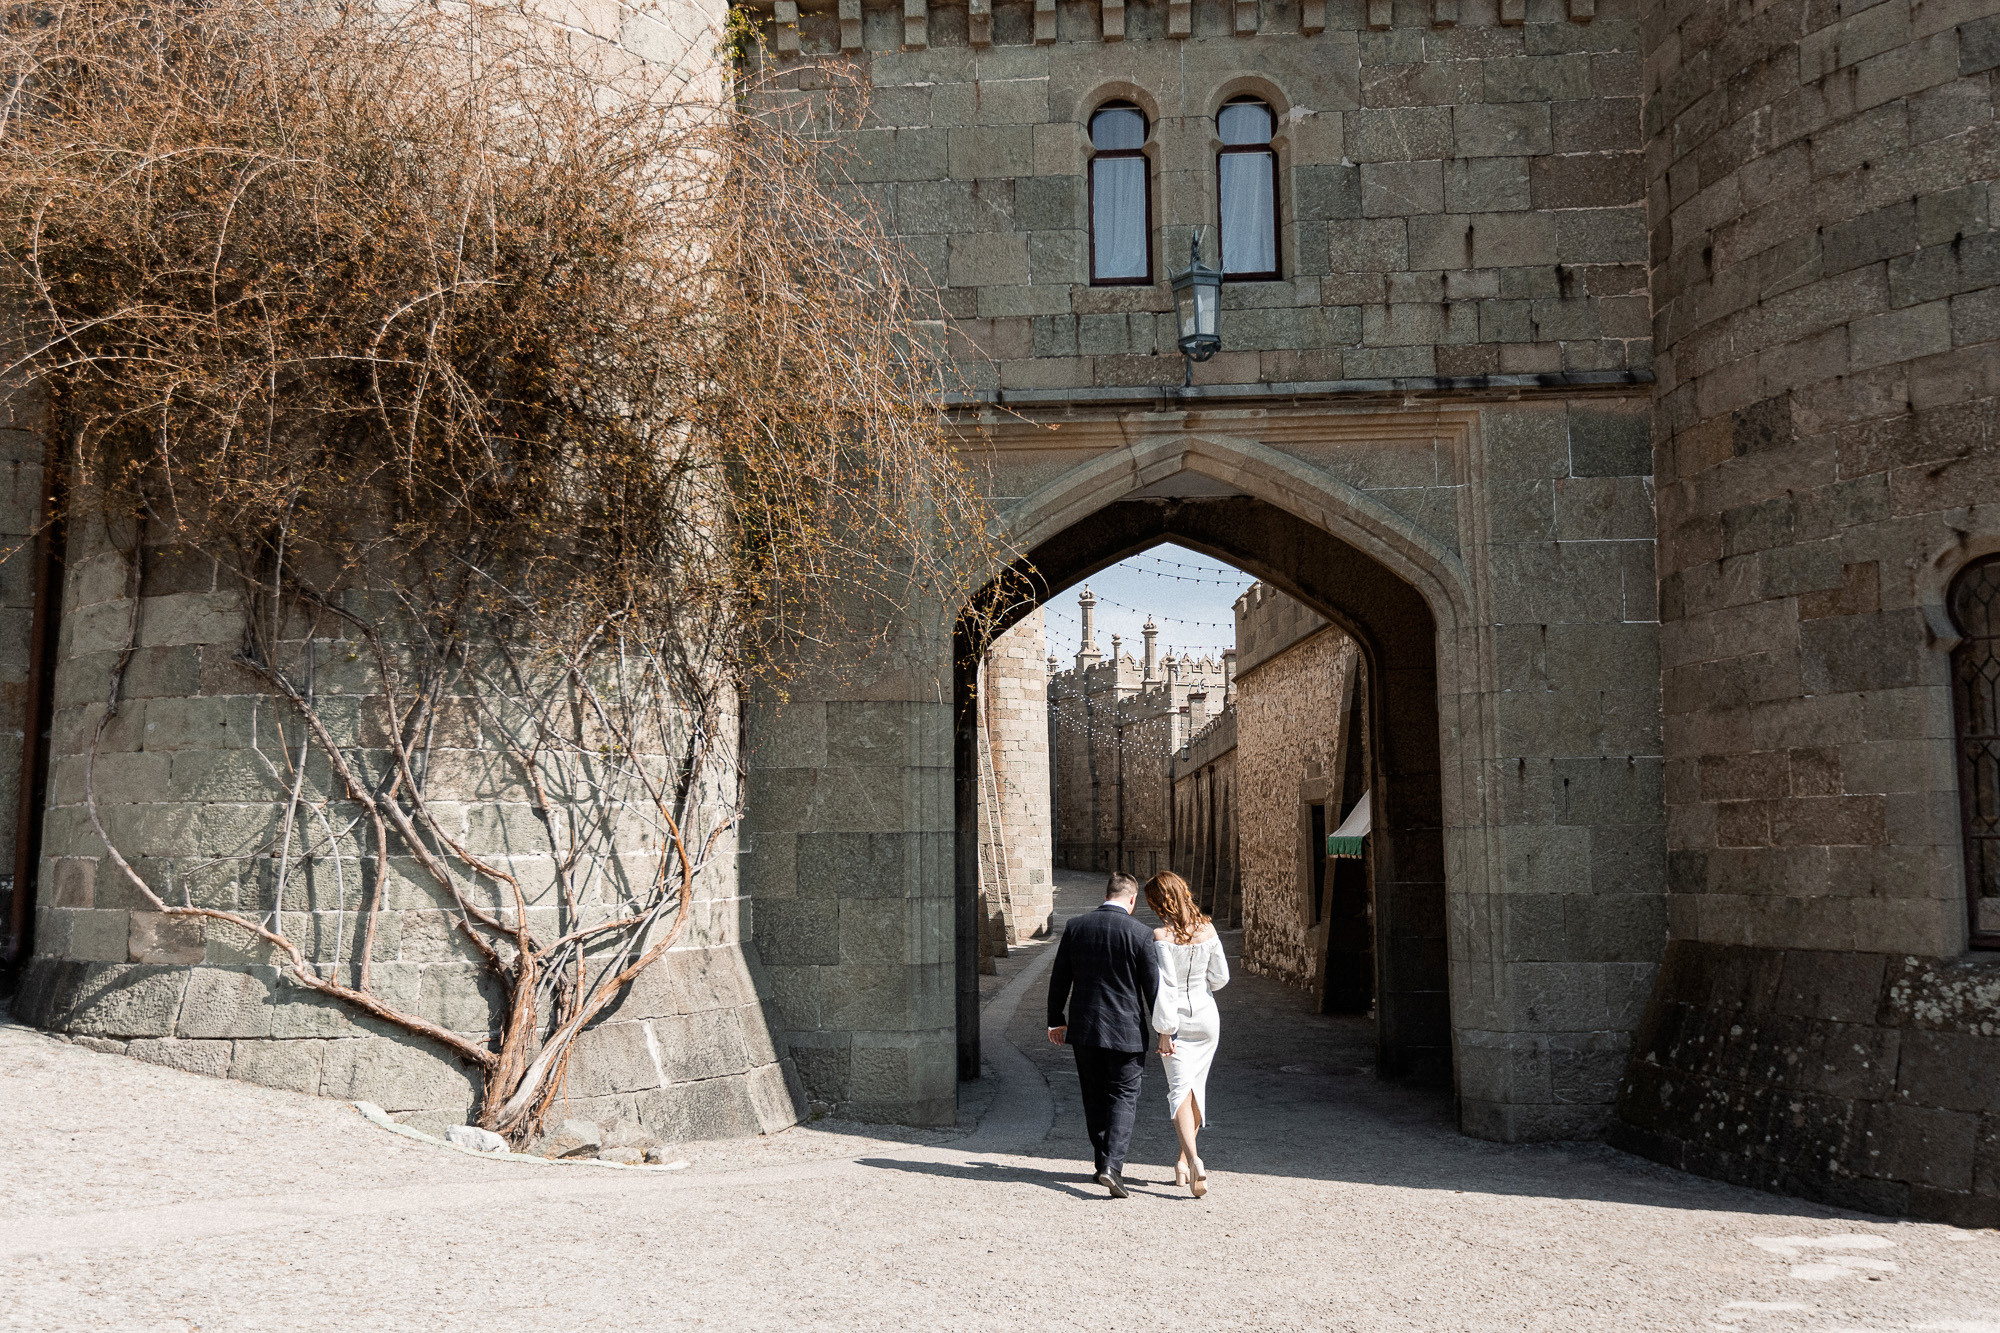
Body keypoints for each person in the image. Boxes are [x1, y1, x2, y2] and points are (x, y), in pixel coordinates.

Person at [1046, 871, 1160, 1199]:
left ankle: (1101, 1163)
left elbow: (1060, 978)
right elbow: (1153, 990)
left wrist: (1056, 1020)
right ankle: (1113, 1166)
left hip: (1085, 1029)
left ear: (1107, 893)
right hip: (1127, 1031)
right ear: (1132, 899)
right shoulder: (1140, 934)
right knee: (1123, 1096)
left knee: (1093, 1096)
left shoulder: (1077, 927)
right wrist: (1167, 1031)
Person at [1145, 870, 1229, 1198]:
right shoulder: (1208, 930)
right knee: (1196, 1089)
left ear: (1158, 903)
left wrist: (1164, 1031)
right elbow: (1221, 977)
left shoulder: (1161, 937)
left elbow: (1166, 988)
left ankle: (1194, 1161)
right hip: (1208, 1017)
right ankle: (1182, 1162)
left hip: (1177, 1021)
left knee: (1179, 1091)